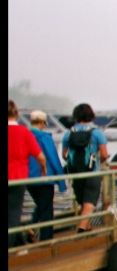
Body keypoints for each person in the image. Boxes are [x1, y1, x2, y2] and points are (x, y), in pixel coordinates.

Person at [62, 103, 109, 232]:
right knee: (90, 200)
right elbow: (104, 154)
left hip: (76, 172)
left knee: (82, 199)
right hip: (92, 172)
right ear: (91, 116)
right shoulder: (97, 133)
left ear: (75, 116)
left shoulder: (68, 134)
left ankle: (86, 225)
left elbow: (64, 155)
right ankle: (82, 226)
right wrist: (99, 160)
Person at [8, 99, 46, 247]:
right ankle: (12, 246)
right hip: (18, 178)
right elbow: (40, 156)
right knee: (14, 212)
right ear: (16, 114)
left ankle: (19, 243)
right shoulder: (24, 132)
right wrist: (43, 168)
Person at [27, 110, 68, 241]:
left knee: (40, 205)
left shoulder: (25, 136)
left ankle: (31, 229)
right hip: (45, 178)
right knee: (46, 209)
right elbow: (53, 158)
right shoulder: (44, 138)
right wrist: (61, 182)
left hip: (27, 178)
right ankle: (46, 239)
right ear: (43, 123)